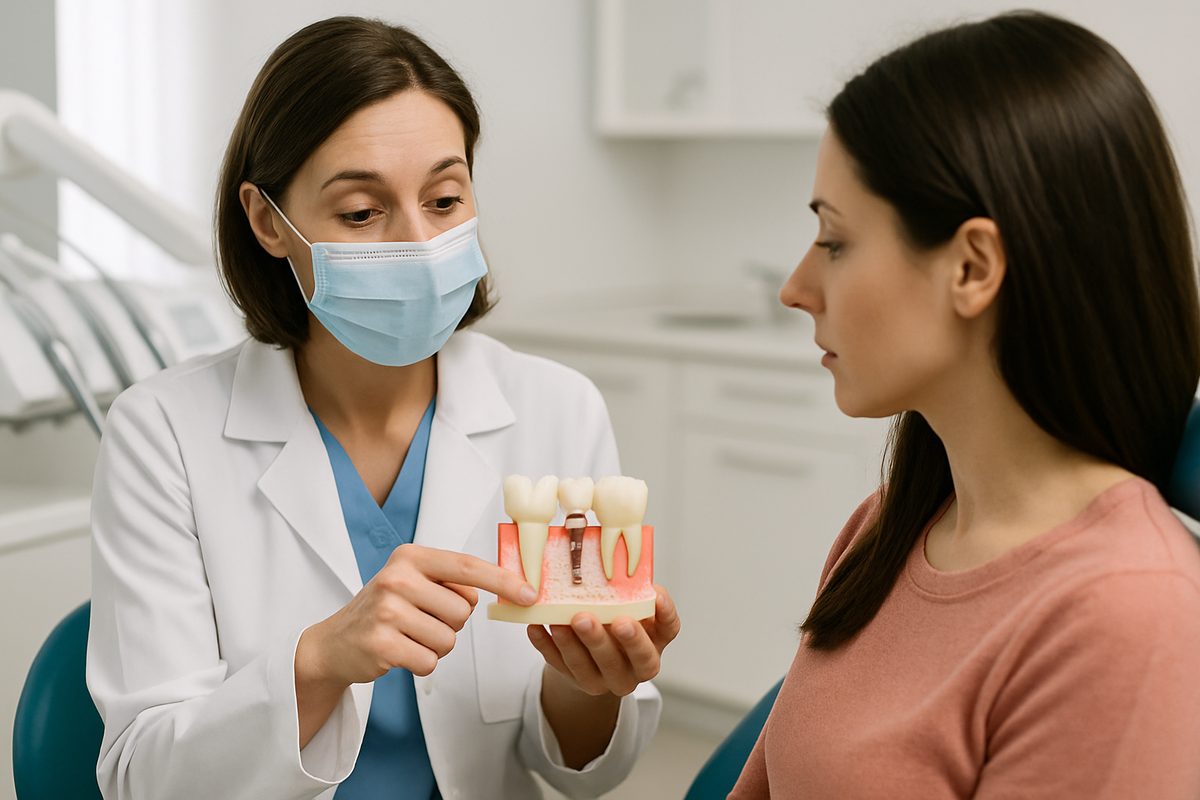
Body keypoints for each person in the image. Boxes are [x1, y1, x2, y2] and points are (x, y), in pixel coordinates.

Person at [87, 17, 678, 800]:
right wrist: (322, 660)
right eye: (362, 214)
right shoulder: (161, 434)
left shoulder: (555, 408)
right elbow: (143, 778)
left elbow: (577, 769)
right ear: (269, 222)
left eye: (443, 198)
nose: (418, 244)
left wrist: (589, 683)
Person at [731, 11, 1200, 799]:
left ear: (974, 267)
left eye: (836, 241)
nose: (796, 289)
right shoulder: (886, 527)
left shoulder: (1129, 616)